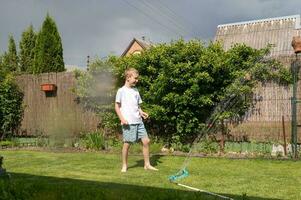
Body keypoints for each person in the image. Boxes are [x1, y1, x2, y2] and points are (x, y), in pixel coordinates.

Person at [115, 68, 158, 172]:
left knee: (146, 141)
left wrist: (141, 112)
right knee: (127, 144)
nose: (137, 80)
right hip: (128, 122)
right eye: (135, 78)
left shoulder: (136, 91)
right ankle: (124, 165)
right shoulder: (121, 91)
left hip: (139, 121)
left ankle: (147, 165)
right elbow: (116, 106)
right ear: (128, 77)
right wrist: (122, 119)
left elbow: (137, 105)